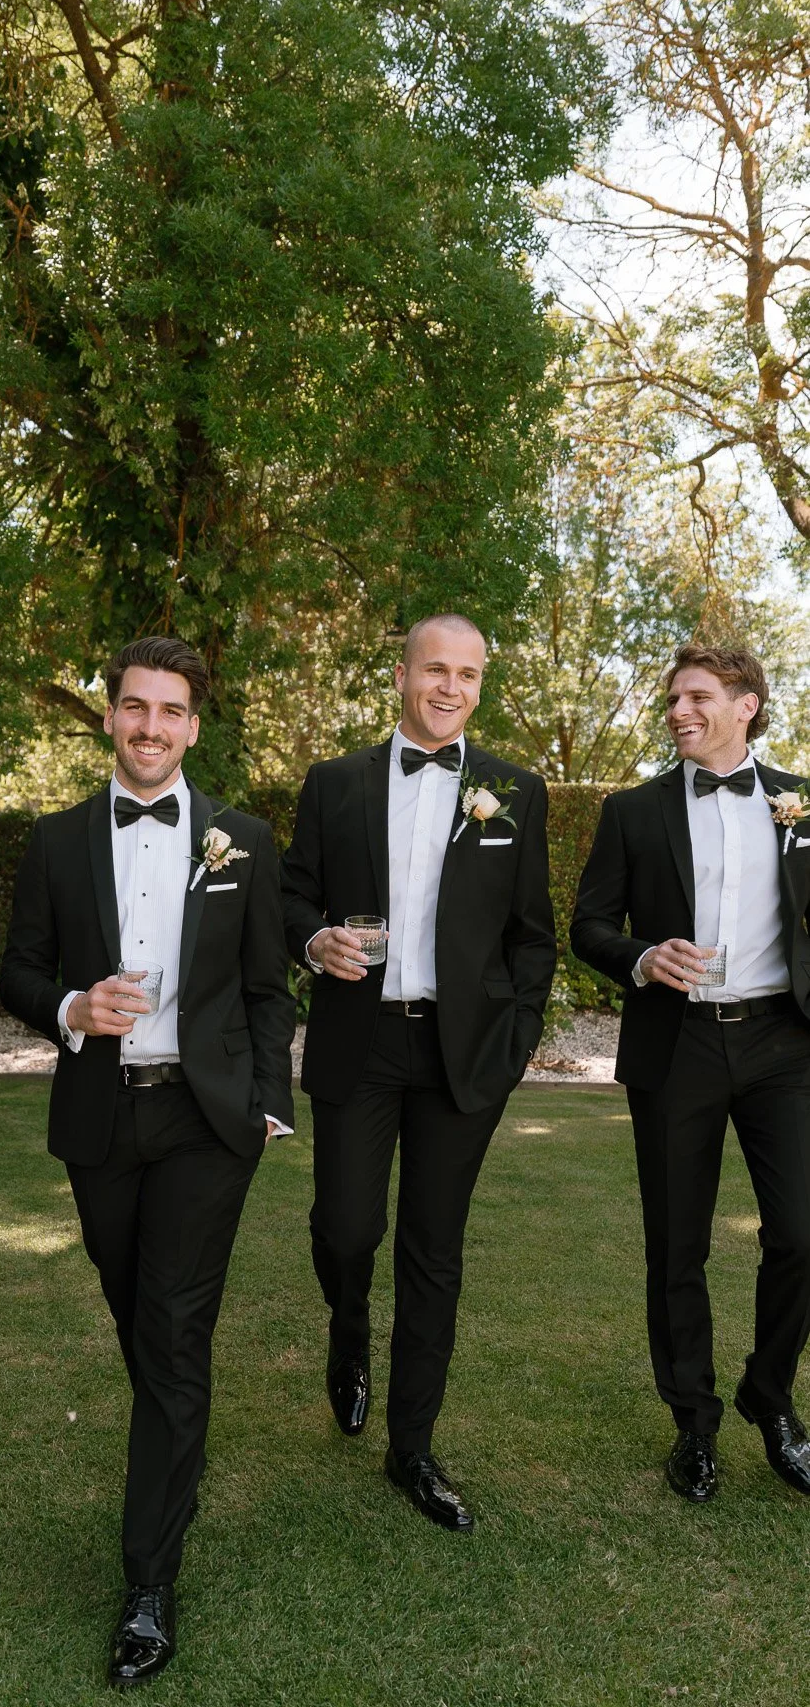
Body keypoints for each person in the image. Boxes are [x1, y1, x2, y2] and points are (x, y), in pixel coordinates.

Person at [0, 636, 294, 1688]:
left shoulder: (243, 839)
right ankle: (178, 1447)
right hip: (102, 1121)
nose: (152, 727)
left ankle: (147, 1581)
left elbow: (267, 988)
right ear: (109, 715)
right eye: (135, 707)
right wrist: (74, 1008)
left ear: (194, 726)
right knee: (141, 1318)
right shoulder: (57, 838)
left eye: (172, 711)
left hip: (209, 1123)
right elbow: (19, 967)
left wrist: (271, 1106)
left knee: (171, 1331)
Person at [280, 614, 554, 1531]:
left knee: (434, 1251)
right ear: (400, 674)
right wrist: (310, 939)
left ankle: (413, 1447)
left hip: (460, 1055)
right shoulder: (334, 783)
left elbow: (530, 938)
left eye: (468, 674)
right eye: (435, 669)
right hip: (357, 1043)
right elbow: (289, 895)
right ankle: (347, 1330)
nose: (451, 687)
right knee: (346, 1228)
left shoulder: (514, 790)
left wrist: (509, 1046)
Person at [571, 644, 810, 1504]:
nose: (678, 711)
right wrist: (641, 958)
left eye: (697, 697)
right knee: (677, 1244)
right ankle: (694, 1426)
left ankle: (769, 1395)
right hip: (676, 1046)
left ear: (745, 706)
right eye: (672, 698)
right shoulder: (631, 811)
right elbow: (589, 924)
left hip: (783, 1043)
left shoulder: (800, 802)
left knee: (801, 1232)